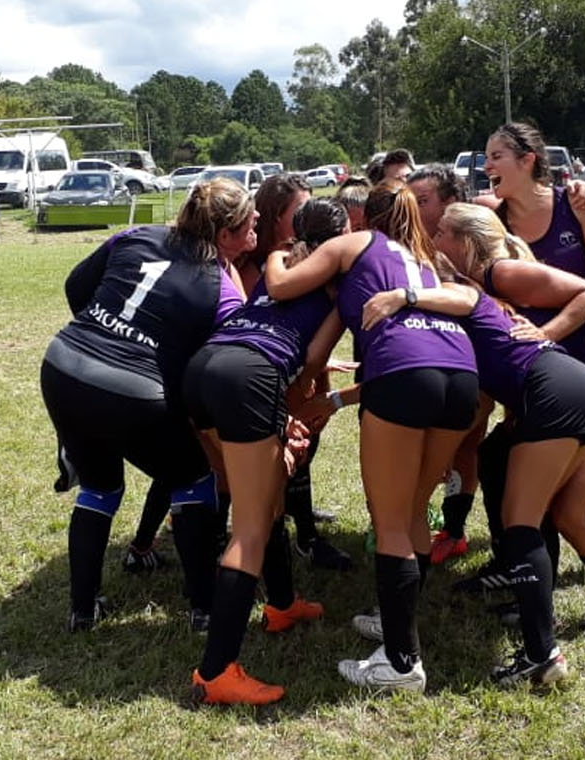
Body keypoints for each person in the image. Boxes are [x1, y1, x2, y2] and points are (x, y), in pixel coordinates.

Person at [360, 201, 585, 685]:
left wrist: (403, 295)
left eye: (439, 234)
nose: (432, 241)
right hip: (577, 389)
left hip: (556, 391)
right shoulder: (464, 308)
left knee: (520, 524)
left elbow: (464, 300)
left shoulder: (468, 289)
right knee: (529, 505)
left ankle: (543, 655)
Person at [264, 182, 478, 693]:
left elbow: (281, 287)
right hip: (461, 376)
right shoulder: (426, 259)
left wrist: (275, 254)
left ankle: (401, 663)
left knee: (391, 525)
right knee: (413, 509)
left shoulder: (353, 244)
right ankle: (395, 622)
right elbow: (469, 297)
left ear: (363, 220)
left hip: (405, 376)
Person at [40, 179, 251, 633]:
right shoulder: (223, 289)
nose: (255, 231)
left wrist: (103, 333)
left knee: (100, 488)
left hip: (62, 364)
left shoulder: (134, 234)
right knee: (194, 479)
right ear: (227, 234)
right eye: (249, 224)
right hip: (131, 389)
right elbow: (218, 364)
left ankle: (82, 610)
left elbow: (76, 285)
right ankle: (203, 609)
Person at [186, 199, 351, 705]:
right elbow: (314, 359)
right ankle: (216, 674)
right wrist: (304, 412)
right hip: (250, 377)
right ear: (342, 237)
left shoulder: (281, 260)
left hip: (204, 367)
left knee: (258, 496)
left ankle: (282, 605)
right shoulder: (338, 285)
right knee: (251, 528)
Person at [481, 122, 585, 580]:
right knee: (514, 453)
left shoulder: (574, 202)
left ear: (528, 159)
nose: (487, 165)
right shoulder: (494, 218)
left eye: (496, 156)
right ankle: (517, 560)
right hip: (539, 361)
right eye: (486, 157)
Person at [243, 173, 352, 571]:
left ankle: (300, 526)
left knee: (304, 442)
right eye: (298, 210)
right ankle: (287, 540)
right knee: (277, 450)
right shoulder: (266, 265)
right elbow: (274, 306)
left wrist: (318, 375)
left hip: (295, 363)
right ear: (276, 217)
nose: (306, 216)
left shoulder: (303, 261)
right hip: (262, 369)